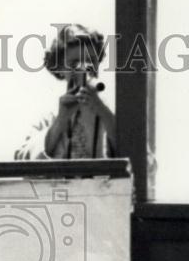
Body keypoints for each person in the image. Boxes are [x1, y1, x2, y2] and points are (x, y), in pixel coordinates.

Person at [15, 23, 116, 160]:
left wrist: (104, 112)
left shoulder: (113, 111)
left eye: (91, 61)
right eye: (75, 63)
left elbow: (144, 163)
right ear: (60, 68)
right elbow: (23, 160)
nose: (85, 68)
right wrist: (60, 121)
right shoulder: (48, 118)